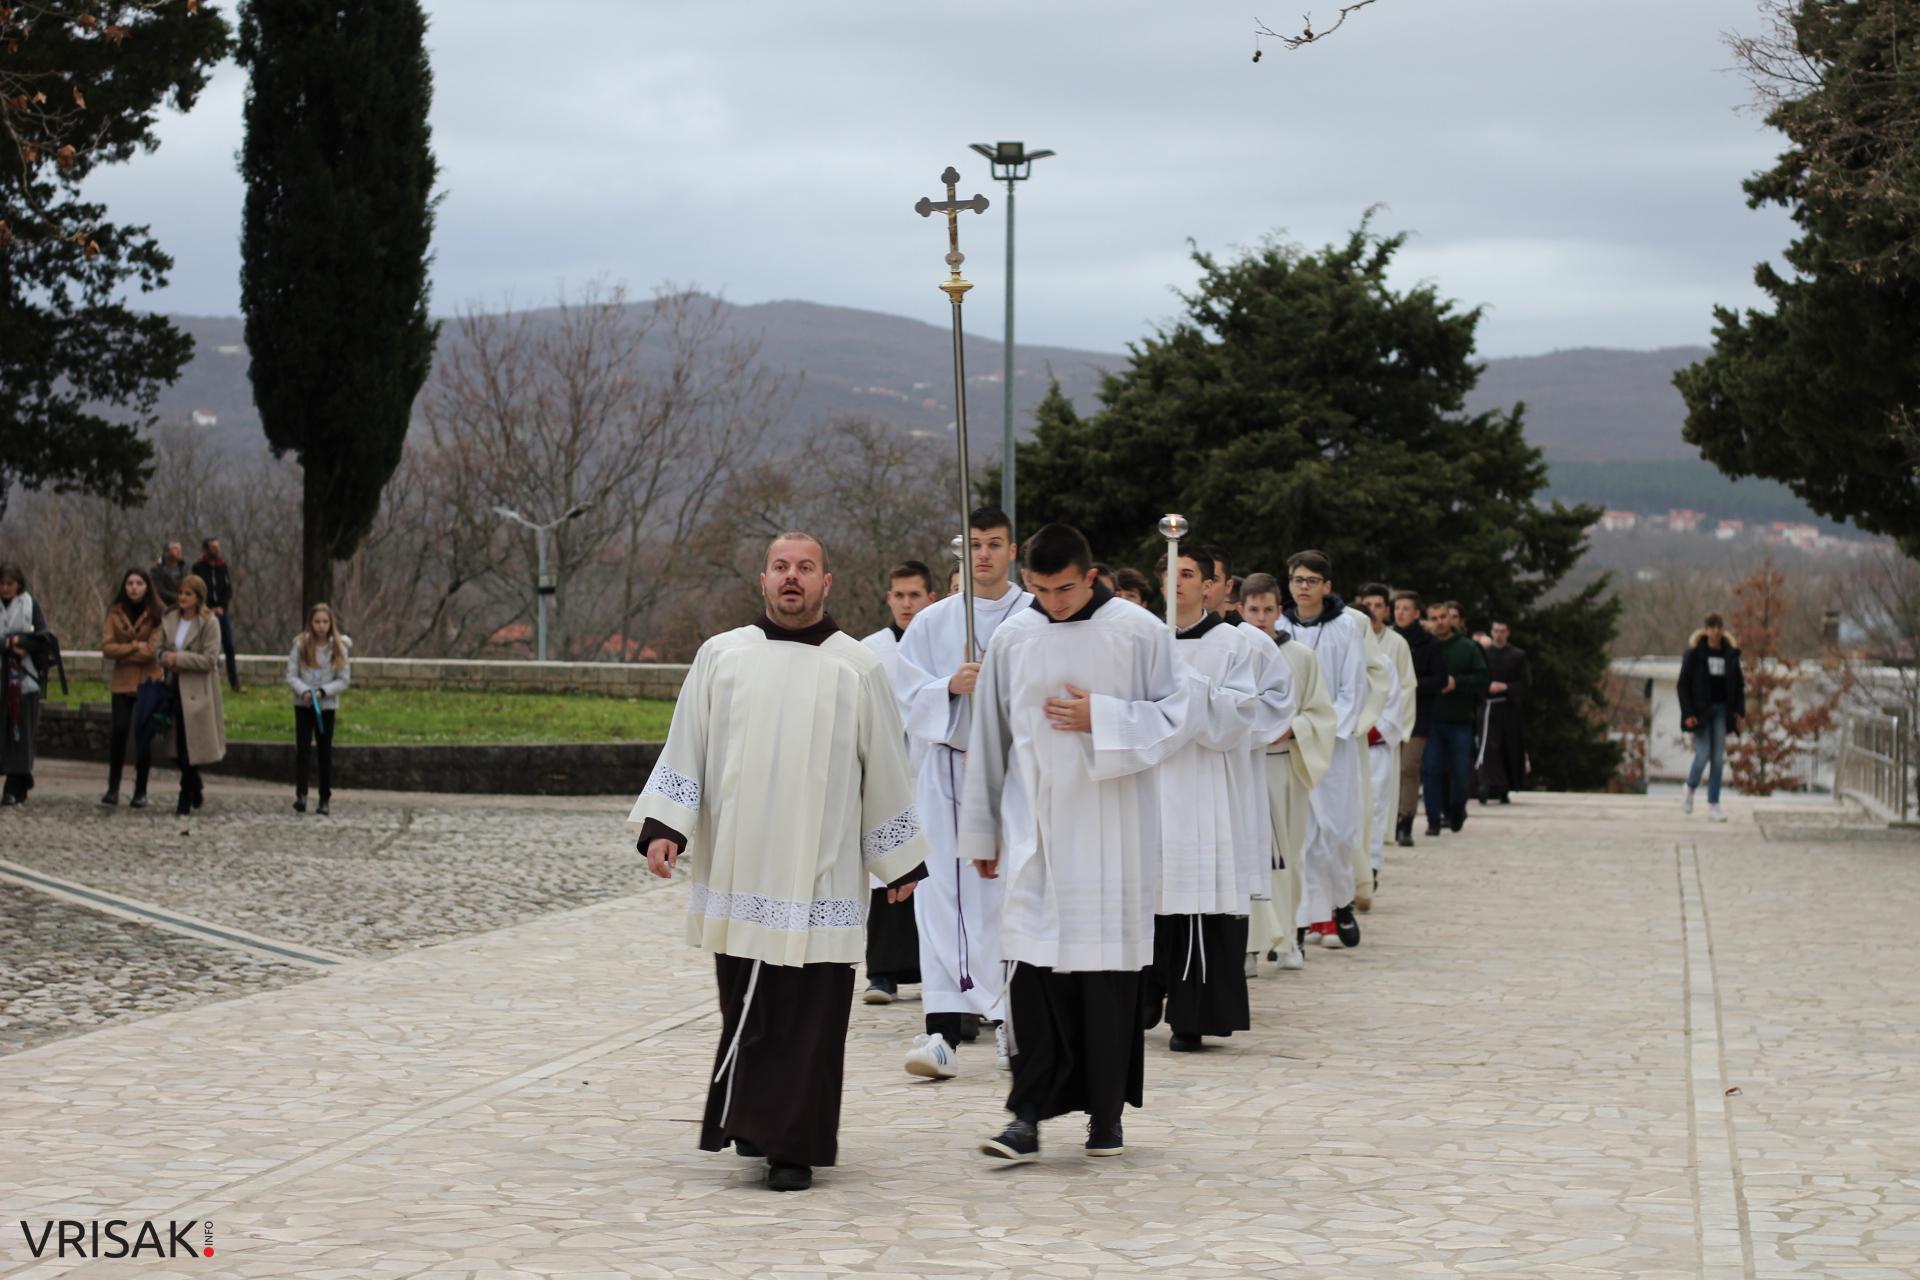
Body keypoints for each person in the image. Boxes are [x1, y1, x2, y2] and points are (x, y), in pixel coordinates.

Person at [628, 532, 930, 1193]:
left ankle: (795, 1145)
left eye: (806, 568)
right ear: (763, 580)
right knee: (749, 1007)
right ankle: (755, 1127)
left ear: (828, 582)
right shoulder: (722, 658)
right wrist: (665, 828)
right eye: (781, 568)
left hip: (820, 873)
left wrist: (899, 862)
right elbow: (688, 747)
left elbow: (886, 767)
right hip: (740, 867)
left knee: (812, 1013)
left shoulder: (858, 668)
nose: (792, 578)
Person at [961, 523, 1195, 1164]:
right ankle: (1026, 1116)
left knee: (1105, 980)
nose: (1053, 602)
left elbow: (1178, 718)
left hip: (1112, 829)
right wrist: (981, 828)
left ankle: (1105, 1115)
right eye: (1039, 589)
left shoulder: (1140, 632)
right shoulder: (1013, 637)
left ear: (1091, 576)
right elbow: (989, 736)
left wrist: (1106, 717)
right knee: (1032, 976)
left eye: (1064, 589)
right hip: (1035, 829)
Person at [893, 509, 1031, 1079]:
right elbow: (905, 692)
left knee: (1007, 897)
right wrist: (948, 686)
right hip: (948, 771)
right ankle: (942, 1030)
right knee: (942, 899)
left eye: (994, 545)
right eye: (974, 546)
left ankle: (1011, 1025)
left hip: (1014, 775)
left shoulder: (1033, 617)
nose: (983, 556)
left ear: (1012, 550)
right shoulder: (933, 622)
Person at [1146, 548, 1292, 1048]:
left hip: (1206, 782)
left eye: (1189, 575)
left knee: (1198, 894)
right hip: (1149, 783)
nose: (1179, 584)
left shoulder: (1235, 643)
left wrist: (1191, 696)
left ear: (1210, 585)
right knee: (1145, 890)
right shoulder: (1142, 639)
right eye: (1171, 574)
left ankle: (1193, 1016)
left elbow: (1250, 714)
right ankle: (1142, 998)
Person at [1241, 573, 1336, 973]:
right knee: (1247, 858)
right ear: (1239, 610)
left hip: (1284, 763)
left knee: (1287, 857)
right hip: (1242, 767)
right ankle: (1247, 946)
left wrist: (1294, 727)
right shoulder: (1229, 651)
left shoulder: (1300, 656)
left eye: (1268, 610)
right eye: (1253, 610)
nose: (1261, 618)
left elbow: (1321, 713)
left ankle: (1290, 939)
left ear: (1280, 612)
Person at [1273, 551, 1368, 950]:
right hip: (1291, 740)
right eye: (1297, 580)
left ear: (1327, 586)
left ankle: (1341, 902)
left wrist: (1323, 728)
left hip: (1332, 743)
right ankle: (1303, 918)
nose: (1304, 587)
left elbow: (1353, 687)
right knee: (1301, 833)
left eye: (1312, 580)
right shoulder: (1279, 627)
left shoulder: (1346, 628)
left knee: (1337, 830)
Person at [858, 560, 938, 1005]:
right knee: (887, 867)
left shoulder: (940, 643)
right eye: (899, 595)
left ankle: (934, 970)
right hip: (889, 772)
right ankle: (884, 971)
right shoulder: (870, 650)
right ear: (889, 598)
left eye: (915, 595)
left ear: (930, 598)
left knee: (932, 871)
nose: (907, 604)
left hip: (929, 769)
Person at [1355, 583, 1415, 894]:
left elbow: (1396, 702)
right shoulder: (1341, 659)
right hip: (1343, 749)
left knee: (1374, 808)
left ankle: (1372, 865)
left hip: (1373, 747)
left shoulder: (1386, 661)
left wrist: (1369, 733)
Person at [159, 574, 226, 832]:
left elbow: (209, 659)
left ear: (198, 597)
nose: (182, 598)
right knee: (175, 745)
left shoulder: (209, 622)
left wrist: (178, 659)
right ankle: (194, 783)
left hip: (198, 690)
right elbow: (160, 648)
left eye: (188, 594)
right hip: (173, 686)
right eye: (181, 593)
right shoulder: (171, 618)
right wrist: (165, 658)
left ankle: (184, 795)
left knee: (191, 744)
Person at [1421, 600, 1489, 836]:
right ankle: (1433, 819)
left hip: (1460, 720)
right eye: (1435, 618)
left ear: (1452, 619)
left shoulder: (1468, 648)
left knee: (1460, 773)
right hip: (1430, 720)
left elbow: (1483, 680)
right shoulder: (1424, 646)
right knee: (1430, 771)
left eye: (1444, 617)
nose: (1440, 622)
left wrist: (1457, 683)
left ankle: (1457, 809)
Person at [101, 568, 165, 807]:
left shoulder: (158, 614)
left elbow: (152, 651)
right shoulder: (114, 612)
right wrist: (134, 646)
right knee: (118, 732)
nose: (134, 587)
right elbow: (107, 647)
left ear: (147, 586)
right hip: (122, 681)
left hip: (148, 681)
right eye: (130, 583)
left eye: (139, 583)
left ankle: (141, 790)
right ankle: (113, 787)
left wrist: (126, 649)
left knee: (143, 737)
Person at [287, 602, 352, 816]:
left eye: (325, 622)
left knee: (324, 752)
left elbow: (343, 680)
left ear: (330, 623)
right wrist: (304, 690)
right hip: (303, 704)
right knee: (303, 750)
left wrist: (323, 692)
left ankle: (324, 798)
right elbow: (291, 675)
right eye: (317, 622)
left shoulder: (338, 647)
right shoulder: (300, 645)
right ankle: (301, 795)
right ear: (310, 623)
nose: (321, 626)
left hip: (326, 707)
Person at [1678, 612, 1745, 822]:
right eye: (1712, 626)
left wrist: (1739, 712)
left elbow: (1739, 686)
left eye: (1719, 626)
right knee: (1703, 754)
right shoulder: (1695, 654)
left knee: (1717, 759)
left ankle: (1714, 804)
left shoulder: (1730, 655)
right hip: (1701, 712)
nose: (1716, 631)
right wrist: (1688, 713)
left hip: (1722, 711)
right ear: (1706, 630)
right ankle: (1689, 787)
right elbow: (1683, 685)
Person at [1392, 590, 1444, 847]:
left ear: (1416, 613)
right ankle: (1390, 818)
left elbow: (1440, 679)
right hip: (1389, 715)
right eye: (1397, 607)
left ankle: (1406, 821)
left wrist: (1409, 685)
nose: (1399, 612)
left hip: (1418, 715)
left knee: (1408, 768)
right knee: (1390, 769)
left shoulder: (1430, 643)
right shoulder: (1387, 640)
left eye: (1405, 608)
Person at [0, 563, 51, 806]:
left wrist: (22, 642)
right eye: (2, 583)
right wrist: (6, 645)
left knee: (22, 732)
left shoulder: (30, 604)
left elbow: (43, 637)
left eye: (10, 584)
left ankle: (15, 782)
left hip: (24, 679)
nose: (5, 588)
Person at [1475, 621, 1530, 804]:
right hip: (1488, 707)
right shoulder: (1484, 655)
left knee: (1507, 747)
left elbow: (1525, 683)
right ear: (1491, 632)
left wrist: (1505, 686)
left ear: (1508, 633)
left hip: (1508, 708)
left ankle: (1503, 787)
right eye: (1495, 631)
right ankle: (1485, 784)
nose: (1498, 635)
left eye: (1502, 631)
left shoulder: (1517, 656)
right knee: (1488, 747)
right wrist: (1486, 687)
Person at [190, 537, 240, 692]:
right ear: (206, 549)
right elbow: (196, 589)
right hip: (204, 612)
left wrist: (222, 607)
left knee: (229, 646)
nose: (216, 549)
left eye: (218, 546)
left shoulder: (222, 566)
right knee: (207, 647)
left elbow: (228, 588)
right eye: (213, 547)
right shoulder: (198, 567)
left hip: (221, 612)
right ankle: (208, 682)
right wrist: (207, 608)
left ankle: (234, 682)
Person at [149, 542, 187, 611]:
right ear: (166, 552)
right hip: (163, 607)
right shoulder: (157, 570)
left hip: (183, 607)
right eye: (175, 549)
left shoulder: (183, 568)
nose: (179, 551)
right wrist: (176, 597)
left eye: (180, 549)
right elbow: (158, 589)